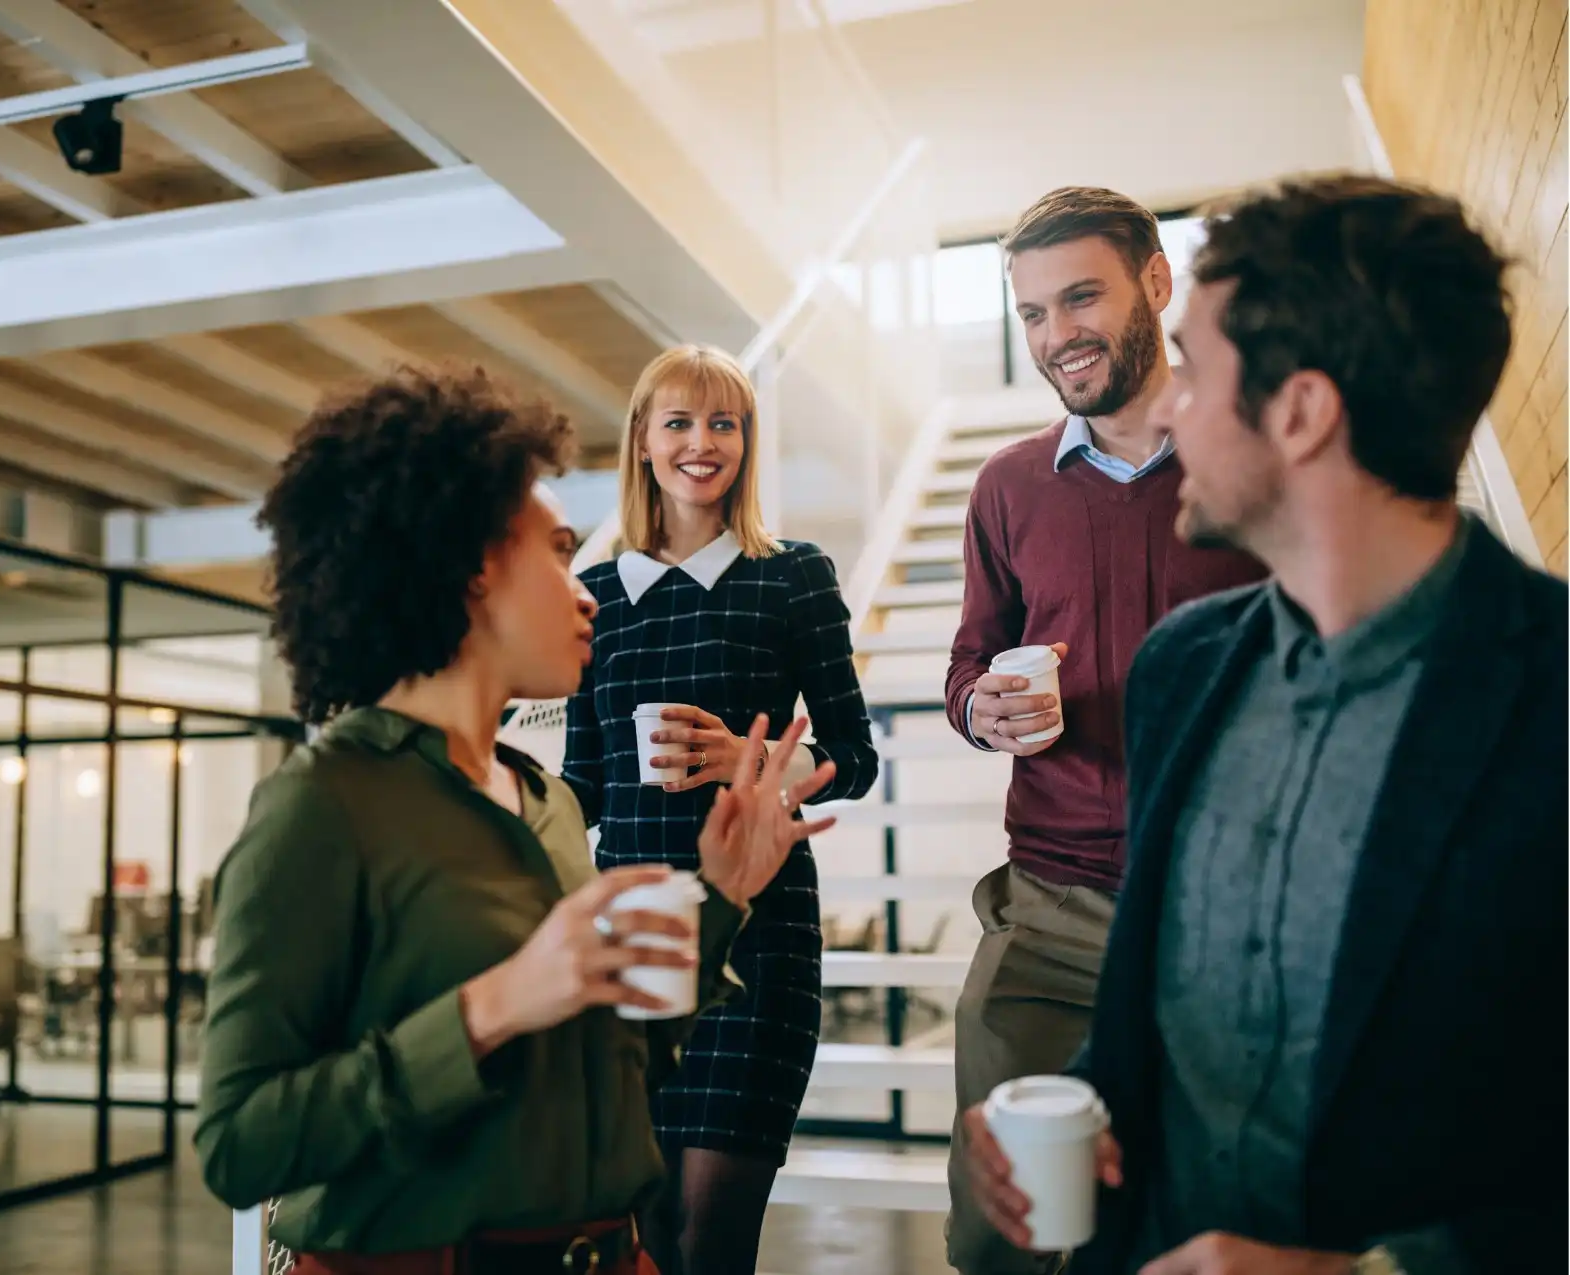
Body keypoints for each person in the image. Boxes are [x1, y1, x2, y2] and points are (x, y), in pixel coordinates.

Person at [964, 174, 1568, 1274]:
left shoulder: (1551, 703)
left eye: (1195, 369)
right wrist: (1088, 1104)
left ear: (1300, 413)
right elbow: (1165, 1004)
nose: (1170, 405)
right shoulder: (1184, 673)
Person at [194, 365, 842, 1275]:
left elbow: (600, 1074)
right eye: (554, 551)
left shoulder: (545, 805)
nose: (584, 590)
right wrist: (495, 1004)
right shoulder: (324, 804)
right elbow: (242, 1145)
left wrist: (724, 893)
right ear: (465, 570)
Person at [943, 187, 1265, 1274]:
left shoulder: (1252, 463)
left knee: (1196, 1225)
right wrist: (981, 708)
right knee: (1005, 1232)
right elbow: (970, 661)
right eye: (1032, 312)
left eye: (1081, 297)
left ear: (1157, 284)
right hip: (1053, 910)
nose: (1056, 335)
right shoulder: (1007, 488)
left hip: (1224, 916)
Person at [563, 344, 878, 1275]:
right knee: (645, 1239)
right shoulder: (596, 599)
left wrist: (759, 762)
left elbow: (854, 757)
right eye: (680, 422)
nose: (703, 443)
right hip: (635, 935)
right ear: (643, 441)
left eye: (724, 422)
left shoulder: (793, 576)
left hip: (761, 935)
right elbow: (586, 779)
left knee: (712, 1239)